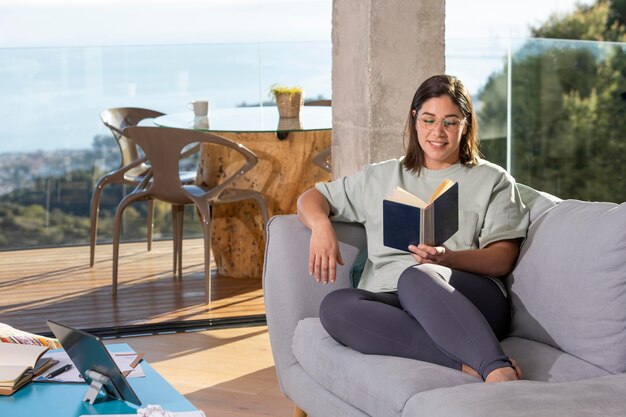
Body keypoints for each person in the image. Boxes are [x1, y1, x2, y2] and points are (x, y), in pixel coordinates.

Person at [296, 74, 529, 383]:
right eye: (429, 120)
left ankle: (496, 368)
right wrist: (321, 225)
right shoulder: (380, 176)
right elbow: (311, 198)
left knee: (416, 276)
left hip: (466, 299)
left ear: (466, 124)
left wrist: (447, 259)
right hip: (395, 301)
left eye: (450, 122)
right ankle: (464, 362)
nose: (438, 133)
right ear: (415, 117)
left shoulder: (493, 180)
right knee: (336, 307)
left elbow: (502, 258)